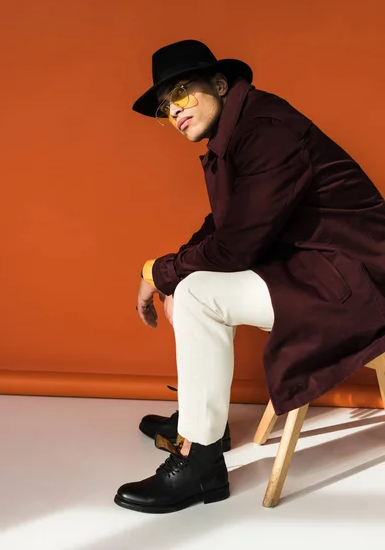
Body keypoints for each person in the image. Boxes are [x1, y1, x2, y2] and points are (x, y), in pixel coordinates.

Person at [114, 39, 385, 514]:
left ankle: (200, 466)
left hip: (355, 281)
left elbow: (237, 245)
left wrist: (156, 272)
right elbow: (227, 223)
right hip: (312, 267)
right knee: (186, 290)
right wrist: (166, 272)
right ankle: (203, 429)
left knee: (194, 290)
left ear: (219, 84)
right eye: (165, 107)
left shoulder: (267, 131)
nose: (174, 111)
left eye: (181, 93)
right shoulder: (237, 131)